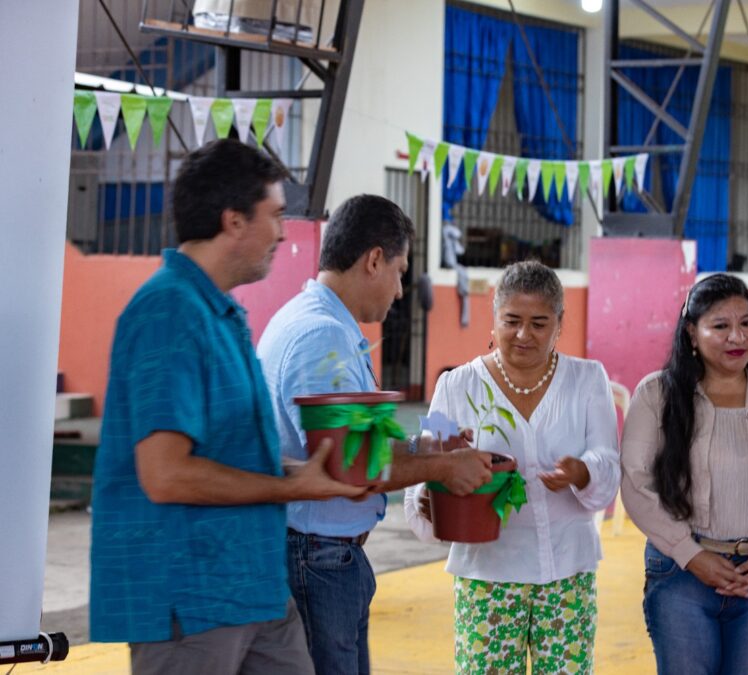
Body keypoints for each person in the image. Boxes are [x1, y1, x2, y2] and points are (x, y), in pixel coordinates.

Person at [90, 139, 369, 675]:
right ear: (233, 221)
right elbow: (168, 475)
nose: (284, 233)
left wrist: (310, 473)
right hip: (189, 596)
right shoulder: (168, 311)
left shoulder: (220, 311)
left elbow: (229, 453)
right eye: (275, 215)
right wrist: (293, 486)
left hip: (254, 584)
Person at [256, 194, 494, 675]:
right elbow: (356, 462)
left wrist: (425, 446)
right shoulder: (322, 337)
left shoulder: (320, 325)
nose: (401, 290)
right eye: (400, 271)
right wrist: (444, 466)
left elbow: (362, 440)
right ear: (373, 260)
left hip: (323, 555)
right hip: (316, 557)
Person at [403, 260, 620, 674]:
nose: (524, 335)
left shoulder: (588, 380)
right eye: (513, 321)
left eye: (539, 323)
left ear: (560, 323)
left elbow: (607, 459)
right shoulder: (456, 386)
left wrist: (583, 472)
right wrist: (429, 493)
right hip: (486, 574)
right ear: (494, 317)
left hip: (567, 574)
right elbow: (427, 465)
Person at [620, 273, 748, 675]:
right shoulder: (656, 395)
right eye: (720, 326)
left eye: (747, 323)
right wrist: (692, 555)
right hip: (680, 576)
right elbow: (636, 484)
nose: (737, 337)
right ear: (691, 334)